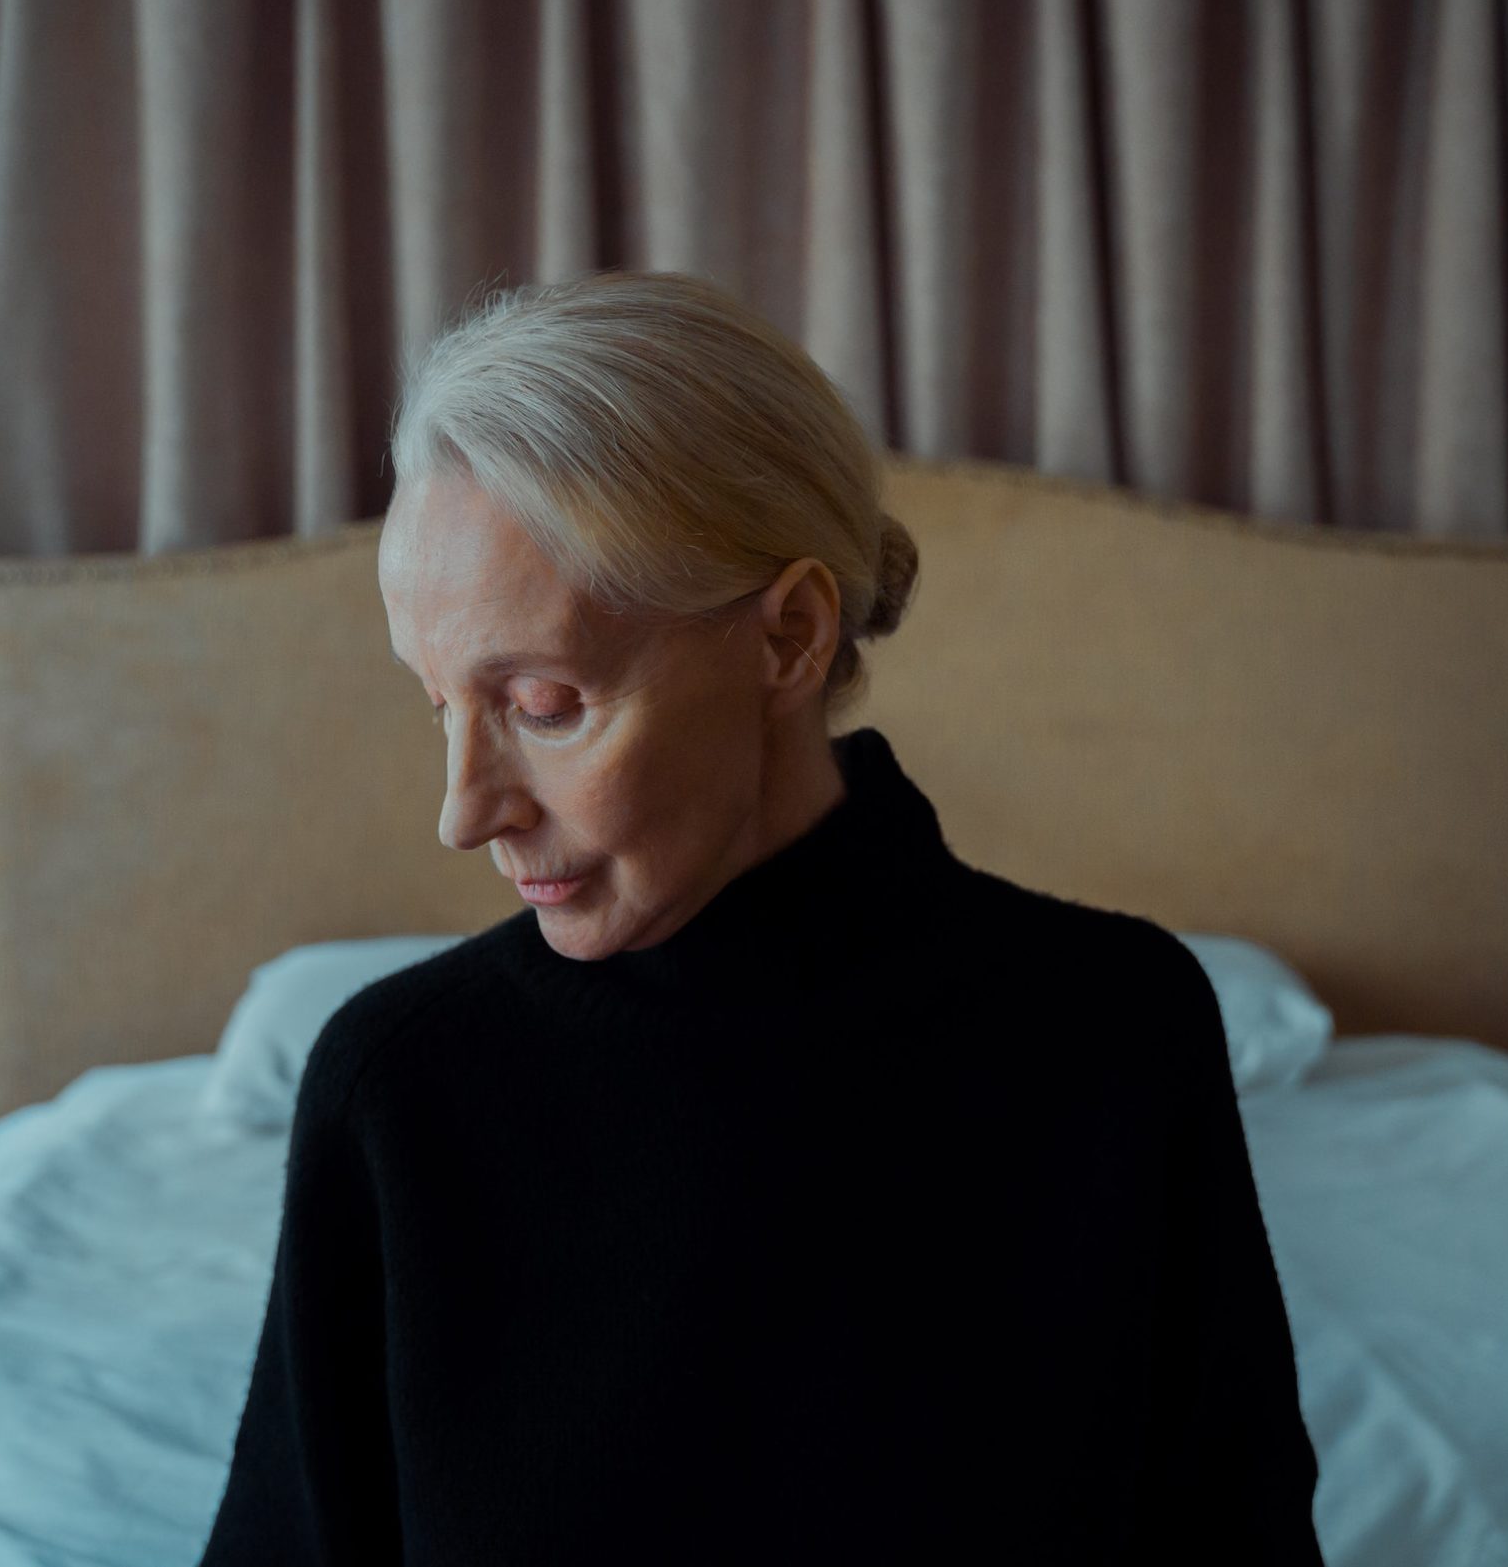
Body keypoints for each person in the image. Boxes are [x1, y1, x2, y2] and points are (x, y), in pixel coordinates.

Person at [199, 270, 1322, 1563]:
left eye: (546, 702)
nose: (463, 812)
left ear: (788, 634)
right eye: (439, 703)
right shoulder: (401, 1092)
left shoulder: (1119, 1032)